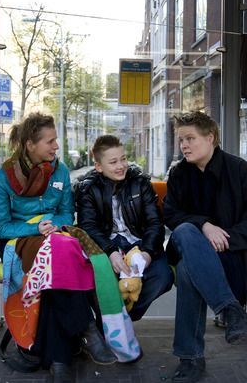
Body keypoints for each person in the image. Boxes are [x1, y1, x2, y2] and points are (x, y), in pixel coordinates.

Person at [0, 113, 116, 383]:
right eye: (50, 141)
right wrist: (35, 228)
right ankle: (86, 327)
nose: (56, 146)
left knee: (57, 264)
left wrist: (51, 226)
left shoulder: (59, 170)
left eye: (55, 140)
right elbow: (0, 228)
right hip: (20, 240)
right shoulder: (4, 177)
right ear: (30, 145)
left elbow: (66, 214)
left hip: (55, 237)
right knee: (56, 263)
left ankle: (59, 360)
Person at [163, 111, 247, 383]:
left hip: (230, 256)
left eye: (190, 138)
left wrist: (226, 240)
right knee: (187, 229)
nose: (184, 145)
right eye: (181, 140)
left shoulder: (241, 171)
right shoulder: (178, 174)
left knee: (188, 273)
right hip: (187, 245)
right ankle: (230, 310)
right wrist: (205, 226)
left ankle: (190, 359)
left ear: (210, 137)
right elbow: (171, 215)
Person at [75, 135, 174, 322]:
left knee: (163, 276)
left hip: (139, 243)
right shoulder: (88, 189)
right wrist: (110, 252)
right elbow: (88, 227)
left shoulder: (140, 182)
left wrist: (147, 253)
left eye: (123, 159)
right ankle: (112, 323)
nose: (121, 166)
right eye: (113, 162)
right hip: (106, 246)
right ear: (99, 166)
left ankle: (122, 318)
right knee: (93, 279)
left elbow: (155, 223)